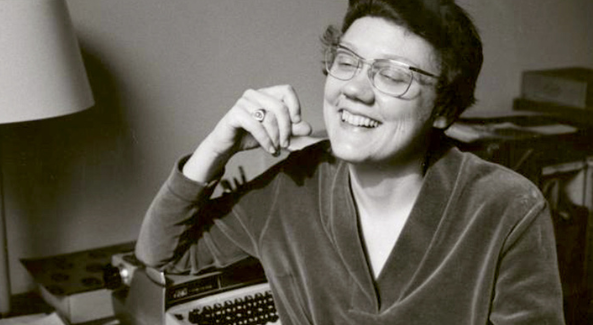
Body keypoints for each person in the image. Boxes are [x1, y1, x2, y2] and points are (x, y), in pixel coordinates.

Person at [135, 0, 566, 323]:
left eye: (393, 75)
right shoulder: (291, 187)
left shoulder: (507, 207)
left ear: (444, 110)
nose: (355, 89)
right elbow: (162, 254)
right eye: (347, 61)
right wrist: (217, 146)